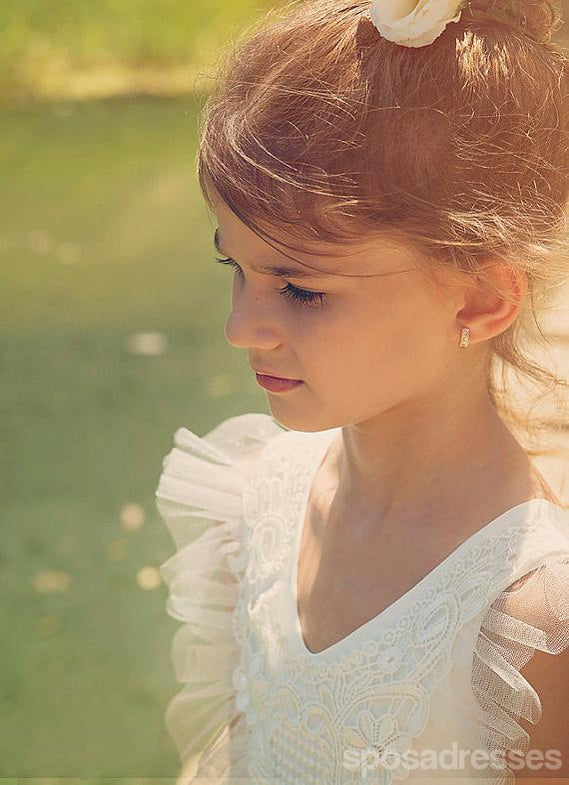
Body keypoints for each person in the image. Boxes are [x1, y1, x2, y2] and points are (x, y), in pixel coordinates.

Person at [155, 0, 569, 782]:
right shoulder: (254, 501)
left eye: (301, 289)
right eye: (234, 268)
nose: (241, 328)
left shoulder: (528, 622)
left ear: (479, 300)